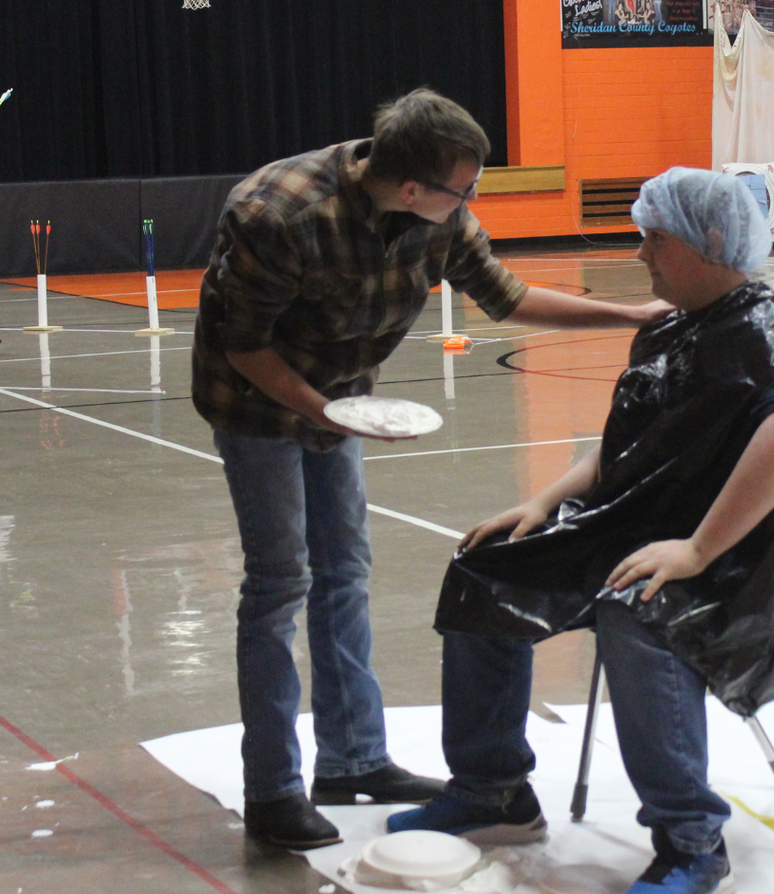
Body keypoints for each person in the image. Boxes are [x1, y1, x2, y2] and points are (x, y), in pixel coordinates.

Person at [387, 168, 774, 894]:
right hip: (649, 526)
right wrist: (544, 502)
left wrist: (697, 550)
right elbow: (630, 448)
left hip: (757, 558)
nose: (640, 253)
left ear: (710, 244)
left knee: (637, 608)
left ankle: (690, 844)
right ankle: (493, 790)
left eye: (654, 239)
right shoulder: (670, 325)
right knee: (487, 566)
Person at [191, 88, 668, 850]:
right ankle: (273, 790)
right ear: (412, 186)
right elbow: (245, 346)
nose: (472, 200)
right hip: (256, 401)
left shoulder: (438, 218)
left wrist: (627, 316)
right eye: (464, 189)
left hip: (338, 399)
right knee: (281, 582)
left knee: (346, 570)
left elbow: (507, 299)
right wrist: (324, 412)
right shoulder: (278, 213)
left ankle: (353, 760)